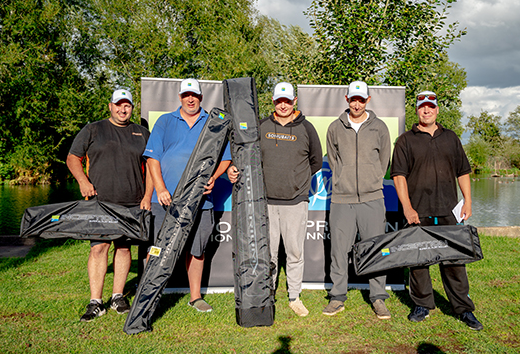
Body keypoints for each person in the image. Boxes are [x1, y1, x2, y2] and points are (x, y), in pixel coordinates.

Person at [227, 82, 323, 317]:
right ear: (273, 101)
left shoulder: (307, 128)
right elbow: (246, 154)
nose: (283, 105)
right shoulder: (261, 126)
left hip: (295, 202)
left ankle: (294, 297)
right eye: (279, 100)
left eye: (287, 101)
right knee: (267, 254)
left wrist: (298, 183)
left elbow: (316, 161)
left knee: (294, 252)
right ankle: (266, 293)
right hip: (265, 202)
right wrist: (233, 167)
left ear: (294, 101)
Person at [390, 90, 484, 331]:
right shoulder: (405, 141)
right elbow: (399, 177)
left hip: (448, 211)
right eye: (423, 106)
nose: (427, 110)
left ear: (437, 109)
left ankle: (463, 308)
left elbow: (463, 171)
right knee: (418, 261)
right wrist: (408, 208)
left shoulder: (451, 138)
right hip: (417, 211)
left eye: (431, 106)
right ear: (417, 110)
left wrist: (468, 201)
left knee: (454, 261)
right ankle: (422, 305)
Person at [143, 78, 231, 313]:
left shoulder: (214, 123)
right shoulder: (164, 121)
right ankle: (150, 298)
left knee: (196, 250)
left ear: (201, 97)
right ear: (180, 97)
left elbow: (225, 158)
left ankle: (195, 297)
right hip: (166, 200)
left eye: (194, 95)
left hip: (200, 201)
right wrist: (160, 188)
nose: (190, 99)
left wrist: (214, 177)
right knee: (158, 249)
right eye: (186, 95)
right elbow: (153, 159)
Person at [67, 89, 153, 322]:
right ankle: (96, 301)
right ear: (110, 106)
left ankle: (117, 297)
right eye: (118, 105)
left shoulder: (142, 133)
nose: (122, 109)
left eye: (127, 105)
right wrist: (83, 182)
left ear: (132, 108)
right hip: (100, 201)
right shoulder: (93, 129)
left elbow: (153, 166)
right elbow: (73, 157)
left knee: (123, 248)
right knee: (99, 248)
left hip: (132, 202)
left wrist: (147, 196)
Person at [323, 81, 392, 319]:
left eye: (361, 99)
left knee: (375, 249)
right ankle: (338, 296)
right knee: (339, 251)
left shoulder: (380, 127)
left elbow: (384, 161)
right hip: (342, 199)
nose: (357, 103)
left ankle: (378, 297)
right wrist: (343, 180)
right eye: (353, 99)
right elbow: (333, 161)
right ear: (346, 99)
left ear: (368, 100)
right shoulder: (334, 127)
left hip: (372, 198)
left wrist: (372, 180)